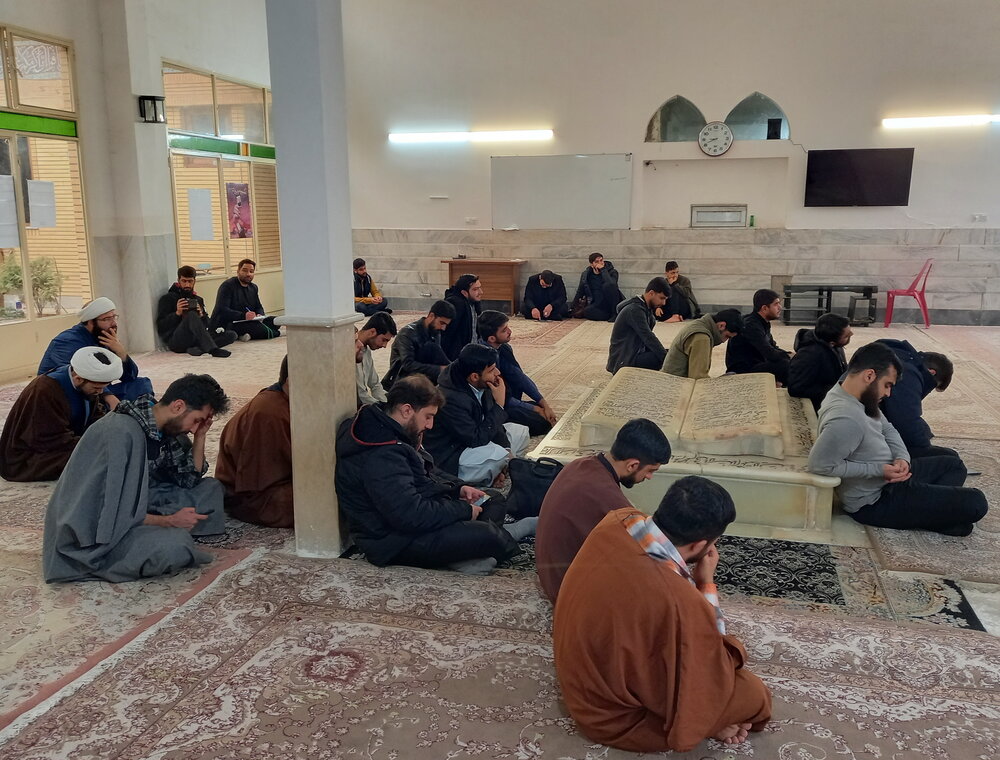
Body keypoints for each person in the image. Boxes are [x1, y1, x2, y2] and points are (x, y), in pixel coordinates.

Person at [554, 476, 771, 752]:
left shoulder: (618, 519)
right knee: (754, 694)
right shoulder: (677, 599)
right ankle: (712, 723)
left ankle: (712, 720)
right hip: (612, 718)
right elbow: (711, 659)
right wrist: (705, 583)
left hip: (580, 681)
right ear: (699, 545)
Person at [43, 374, 231, 583]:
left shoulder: (162, 427)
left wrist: (200, 436)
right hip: (95, 532)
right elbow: (109, 512)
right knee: (175, 546)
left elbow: (189, 480)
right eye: (196, 420)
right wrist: (168, 521)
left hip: (141, 500)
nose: (194, 428)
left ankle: (158, 527)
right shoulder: (120, 433)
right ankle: (155, 533)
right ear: (178, 406)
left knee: (211, 489)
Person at [335, 375, 521, 573]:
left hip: (417, 517)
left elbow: (427, 471)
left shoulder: (394, 430)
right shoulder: (380, 454)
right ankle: (496, 537)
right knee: (488, 535)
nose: (430, 425)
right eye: (428, 416)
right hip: (394, 541)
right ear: (407, 410)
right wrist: (462, 510)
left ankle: (467, 553)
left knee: (492, 499)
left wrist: (458, 489)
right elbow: (409, 516)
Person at [807, 343, 987, 535]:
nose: (888, 393)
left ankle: (931, 510)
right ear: (869, 375)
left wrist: (902, 458)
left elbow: (888, 428)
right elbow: (820, 466)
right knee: (976, 502)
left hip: (893, 477)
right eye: (887, 385)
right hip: (875, 500)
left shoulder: (854, 394)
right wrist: (879, 470)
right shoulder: (846, 419)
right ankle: (933, 511)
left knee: (954, 465)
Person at [535, 418, 671, 602]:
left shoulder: (581, 464)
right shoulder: (607, 497)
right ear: (632, 465)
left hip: (550, 577)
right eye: (650, 471)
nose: (649, 477)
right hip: (568, 595)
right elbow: (656, 554)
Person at [1, 347, 122, 482]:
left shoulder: (84, 385)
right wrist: (94, 444)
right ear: (78, 379)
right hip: (27, 458)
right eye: (96, 388)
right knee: (98, 457)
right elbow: (48, 439)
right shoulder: (45, 390)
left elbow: (94, 418)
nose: (100, 392)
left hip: (64, 443)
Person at [423, 343, 530, 484]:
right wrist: (499, 405)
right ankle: (494, 471)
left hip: (476, 437)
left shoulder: (481, 383)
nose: (497, 373)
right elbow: (475, 439)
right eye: (491, 370)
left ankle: (499, 471)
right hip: (453, 453)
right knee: (497, 455)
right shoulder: (450, 398)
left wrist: (507, 450)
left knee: (520, 432)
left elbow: (494, 424)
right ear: (474, 376)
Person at [216, 356, 293, 528]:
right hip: (252, 497)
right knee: (327, 500)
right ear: (291, 382)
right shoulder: (269, 411)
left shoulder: (287, 401)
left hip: (272, 483)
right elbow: (263, 475)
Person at [38, 297, 153, 404]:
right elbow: (75, 376)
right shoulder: (67, 341)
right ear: (90, 322)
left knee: (141, 385)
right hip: (65, 396)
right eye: (107, 319)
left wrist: (121, 352)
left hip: (95, 391)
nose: (113, 323)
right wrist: (108, 397)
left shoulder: (102, 338)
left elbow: (130, 377)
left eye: (114, 317)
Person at [874, 340, 959, 461]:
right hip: (873, 440)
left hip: (871, 424)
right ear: (931, 372)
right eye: (932, 386)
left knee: (924, 430)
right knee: (951, 460)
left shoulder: (897, 356)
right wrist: (925, 447)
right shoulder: (908, 373)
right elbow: (905, 421)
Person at [477, 310, 557, 436]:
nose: (510, 331)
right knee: (541, 423)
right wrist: (536, 410)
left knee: (539, 408)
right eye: (504, 330)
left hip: (507, 396)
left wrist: (544, 404)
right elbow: (498, 397)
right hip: (493, 405)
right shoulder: (482, 358)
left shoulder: (503, 348)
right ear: (491, 338)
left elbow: (519, 377)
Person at [156, 265, 236, 357]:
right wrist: (177, 313)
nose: (187, 285)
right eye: (184, 281)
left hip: (195, 339)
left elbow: (207, 325)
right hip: (177, 341)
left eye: (190, 281)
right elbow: (161, 326)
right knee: (191, 315)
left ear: (194, 281)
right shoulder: (168, 298)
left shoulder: (198, 300)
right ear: (178, 281)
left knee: (231, 335)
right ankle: (213, 349)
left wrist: (201, 315)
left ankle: (199, 349)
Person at [382, 300, 455, 388]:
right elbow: (408, 365)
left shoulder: (435, 332)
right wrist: (439, 369)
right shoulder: (407, 334)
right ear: (431, 316)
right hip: (404, 379)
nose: (443, 328)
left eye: (446, 325)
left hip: (424, 376)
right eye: (442, 323)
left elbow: (438, 356)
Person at [787, 313, 852, 411]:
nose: (851, 334)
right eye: (846, 336)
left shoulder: (835, 346)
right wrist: (835, 390)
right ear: (832, 342)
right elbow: (796, 388)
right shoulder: (809, 355)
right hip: (820, 405)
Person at [725, 289, 791, 383]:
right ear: (764, 308)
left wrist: (789, 354)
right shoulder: (751, 325)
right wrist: (789, 356)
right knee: (785, 365)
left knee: (789, 362)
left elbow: (773, 347)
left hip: (755, 364)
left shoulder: (762, 322)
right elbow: (769, 353)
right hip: (743, 370)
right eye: (776, 304)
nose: (780, 307)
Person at [607, 277, 670, 373]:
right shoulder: (635, 310)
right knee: (663, 358)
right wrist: (667, 359)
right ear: (651, 293)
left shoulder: (645, 307)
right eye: (662, 298)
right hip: (624, 360)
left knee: (673, 354)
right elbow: (648, 338)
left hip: (634, 353)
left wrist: (668, 355)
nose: (663, 303)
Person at [210, 258, 279, 340]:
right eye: (245, 271)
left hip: (249, 320)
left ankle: (244, 335)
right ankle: (275, 333)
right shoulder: (227, 286)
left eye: (251, 271)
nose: (248, 274)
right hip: (231, 322)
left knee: (276, 321)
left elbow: (258, 306)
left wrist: (260, 314)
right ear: (238, 271)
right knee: (264, 330)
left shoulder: (253, 287)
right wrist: (243, 315)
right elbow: (222, 310)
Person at [662, 309, 743, 379]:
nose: (724, 341)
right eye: (727, 336)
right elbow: (698, 378)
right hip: (677, 385)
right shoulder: (702, 338)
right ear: (721, 325)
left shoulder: (700, 325)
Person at [355, 312, 397, 406]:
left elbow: (375, 385)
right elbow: (361, 396)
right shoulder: (352, 352)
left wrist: (388, 403)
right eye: (384, 340)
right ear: (372, 332)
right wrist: (382, 407)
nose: (384, 345)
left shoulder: (366, 351)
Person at [440, 273, 483, 360]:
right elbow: (448, 335)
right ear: (464, 293)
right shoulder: (456, 304)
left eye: (480, 288)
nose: (481, 292)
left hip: (473, 351)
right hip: (459, 356)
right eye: (475, 289)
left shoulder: (474, 302)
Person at [573, 252, 624, 321]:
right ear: (592, 264)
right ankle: (609, 316)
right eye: (597, 262)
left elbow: (611, 284)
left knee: (607, 285)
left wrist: (603, 270)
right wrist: (572, 307)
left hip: (611, 303)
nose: (600, 263)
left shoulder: (612, 272)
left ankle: (614, 314)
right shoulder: (586, 275)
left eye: (601, 260)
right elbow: (580, 291)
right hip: (597, 304)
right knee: (587, 311)